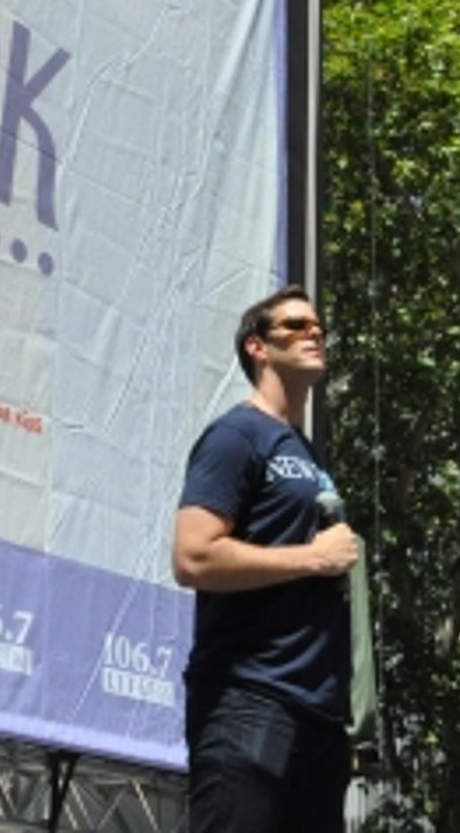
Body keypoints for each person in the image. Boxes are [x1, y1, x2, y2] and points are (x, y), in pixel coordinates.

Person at [173, 284, 359, 833]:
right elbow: (193, 557)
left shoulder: (305, 451)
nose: (315, 334)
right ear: (258, 348)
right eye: (296, 327)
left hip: (319, 714)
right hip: (249, 698)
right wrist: (314, 558)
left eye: (319, 327)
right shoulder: (236, 435)